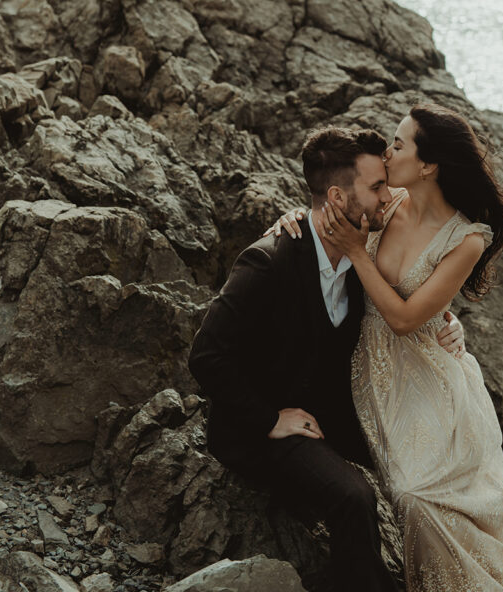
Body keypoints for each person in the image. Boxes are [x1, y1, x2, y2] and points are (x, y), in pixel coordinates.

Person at [188, 125, 465, 592]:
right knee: (353, 496)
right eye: (377, 187)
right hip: (263, 430)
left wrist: (449, 323)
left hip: (332, 415)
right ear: (338, 196)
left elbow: (410, 295)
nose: (387, 196)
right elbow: (206, 355)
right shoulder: (268, 262)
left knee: (424, 467)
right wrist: (269, 418)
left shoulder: (363, 259)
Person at [274, 104, 503, 592]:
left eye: (399, 144)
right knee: (410, 493)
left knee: (423, 495)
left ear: (428, 164)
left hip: (423, 370)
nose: (387, 151)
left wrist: (357, 251)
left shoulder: (467, 240)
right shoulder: (389, 200)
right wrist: (293, 218)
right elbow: (332, 205)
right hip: (364, 364)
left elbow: (403, 318)